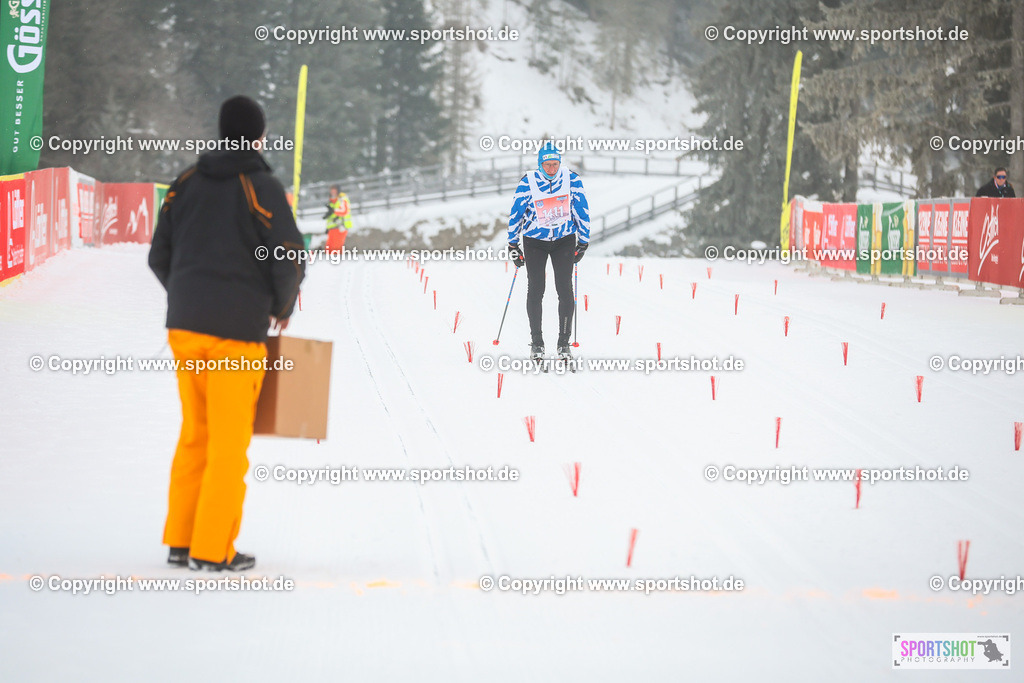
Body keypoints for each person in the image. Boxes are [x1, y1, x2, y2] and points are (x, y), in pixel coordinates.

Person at [148, 95, 306, 571]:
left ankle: (181, 539)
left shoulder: (185, 182)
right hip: (236, 336)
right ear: (258, 136)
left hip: (185, 331)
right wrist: (281, 307)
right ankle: (212, 549)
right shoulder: (260, 186)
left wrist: (187, 298)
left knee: (195, 433)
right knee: (228, 445)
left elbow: (159, 255)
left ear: (221, 131)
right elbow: (287, 254)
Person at [507, 141, 590, 364]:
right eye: (547, 165)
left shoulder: (571, 179)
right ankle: (537, 342)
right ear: (540, 164)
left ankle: (564, 343)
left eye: (555, 164)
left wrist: (584, 241)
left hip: (564, 240)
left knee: (564, 288)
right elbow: (516, 212)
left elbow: (582, 208)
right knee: (536, 289)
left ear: (560, 163)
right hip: (535, 241)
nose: (552, 169)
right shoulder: (528, 181)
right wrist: (512, 245)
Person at [323, 185, 353, 251]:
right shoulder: (332, 201)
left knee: (336, 249)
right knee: (329, 248)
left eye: (334, 190)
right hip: (332, 228)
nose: (333, 192)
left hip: (340, 227)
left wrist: (333, 211)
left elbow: (344, 211)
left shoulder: (342, 199)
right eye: (331, 190)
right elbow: (332, 216)